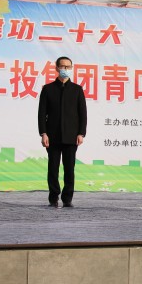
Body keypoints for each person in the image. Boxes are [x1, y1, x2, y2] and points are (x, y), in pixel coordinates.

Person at [38, 56, 87, 208]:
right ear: (56, 68)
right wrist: (43, 133)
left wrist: (81, 133)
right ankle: (53, 197)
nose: (65, 69)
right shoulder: (48, 89)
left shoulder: (77, 90)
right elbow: (41, 114)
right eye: (63, 66)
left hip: (71, 136)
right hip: (52, 136)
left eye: (68, 67)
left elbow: (83, 114)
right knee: (53, 169)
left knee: (69, 169)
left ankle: (67, 198)